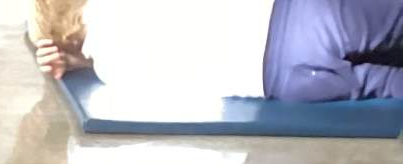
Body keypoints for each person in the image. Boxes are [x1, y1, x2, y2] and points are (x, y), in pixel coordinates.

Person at [33, 0, 403, 102]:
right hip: (298, 19)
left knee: (388, 85)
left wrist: (80, 61)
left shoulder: (112, 71)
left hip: (286, 83)